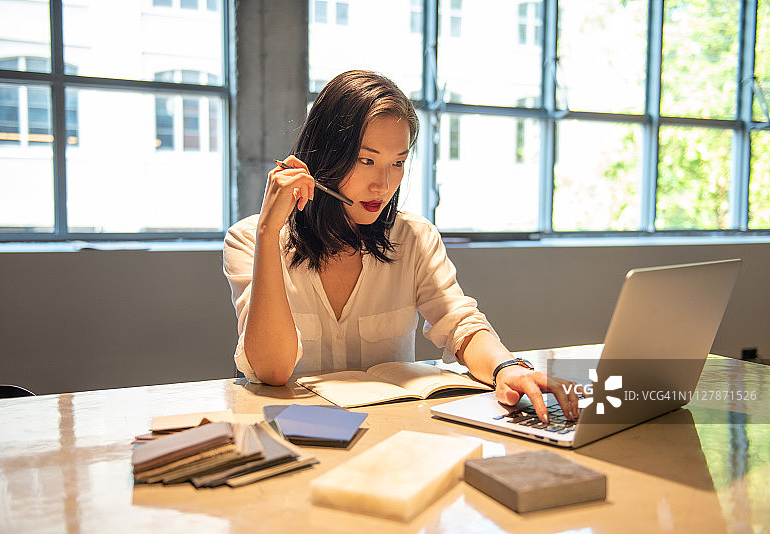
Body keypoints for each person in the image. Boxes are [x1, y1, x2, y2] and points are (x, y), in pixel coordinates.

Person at [223, 69, 579, 423]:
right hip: (294, 436)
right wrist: (269, 232)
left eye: (398, 163)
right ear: (326, 156)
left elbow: (460, 322)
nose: (383, 184)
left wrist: (507, 368)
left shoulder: (414, 237)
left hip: (389, 438)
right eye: (367, 160)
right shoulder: (250, 239)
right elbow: (272, 371)